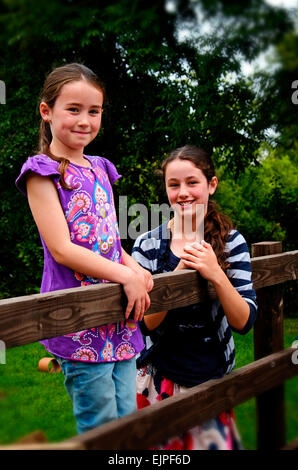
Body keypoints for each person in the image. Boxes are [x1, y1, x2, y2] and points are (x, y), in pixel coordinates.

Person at [15, 63, 153, 434]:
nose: (84, 120)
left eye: (94, 111)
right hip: (78, 319)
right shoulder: (41, 171)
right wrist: (126, 274)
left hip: (120, 319)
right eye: (73, 109)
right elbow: (61, 248)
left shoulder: (102, 168)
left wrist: (133, 266)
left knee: (129, 421)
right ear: (47, 111)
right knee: (102, 427)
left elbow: (108, 239)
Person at [132, 145, 257, 450]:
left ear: (211, 185)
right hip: (158, 381)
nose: (183, 192)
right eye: (173, 185)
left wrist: (215, 273)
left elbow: (244, 321)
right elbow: (144, 325)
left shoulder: (231, 241)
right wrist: (177, 273)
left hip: (211, 381)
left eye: (192, 182)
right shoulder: (147, 244)